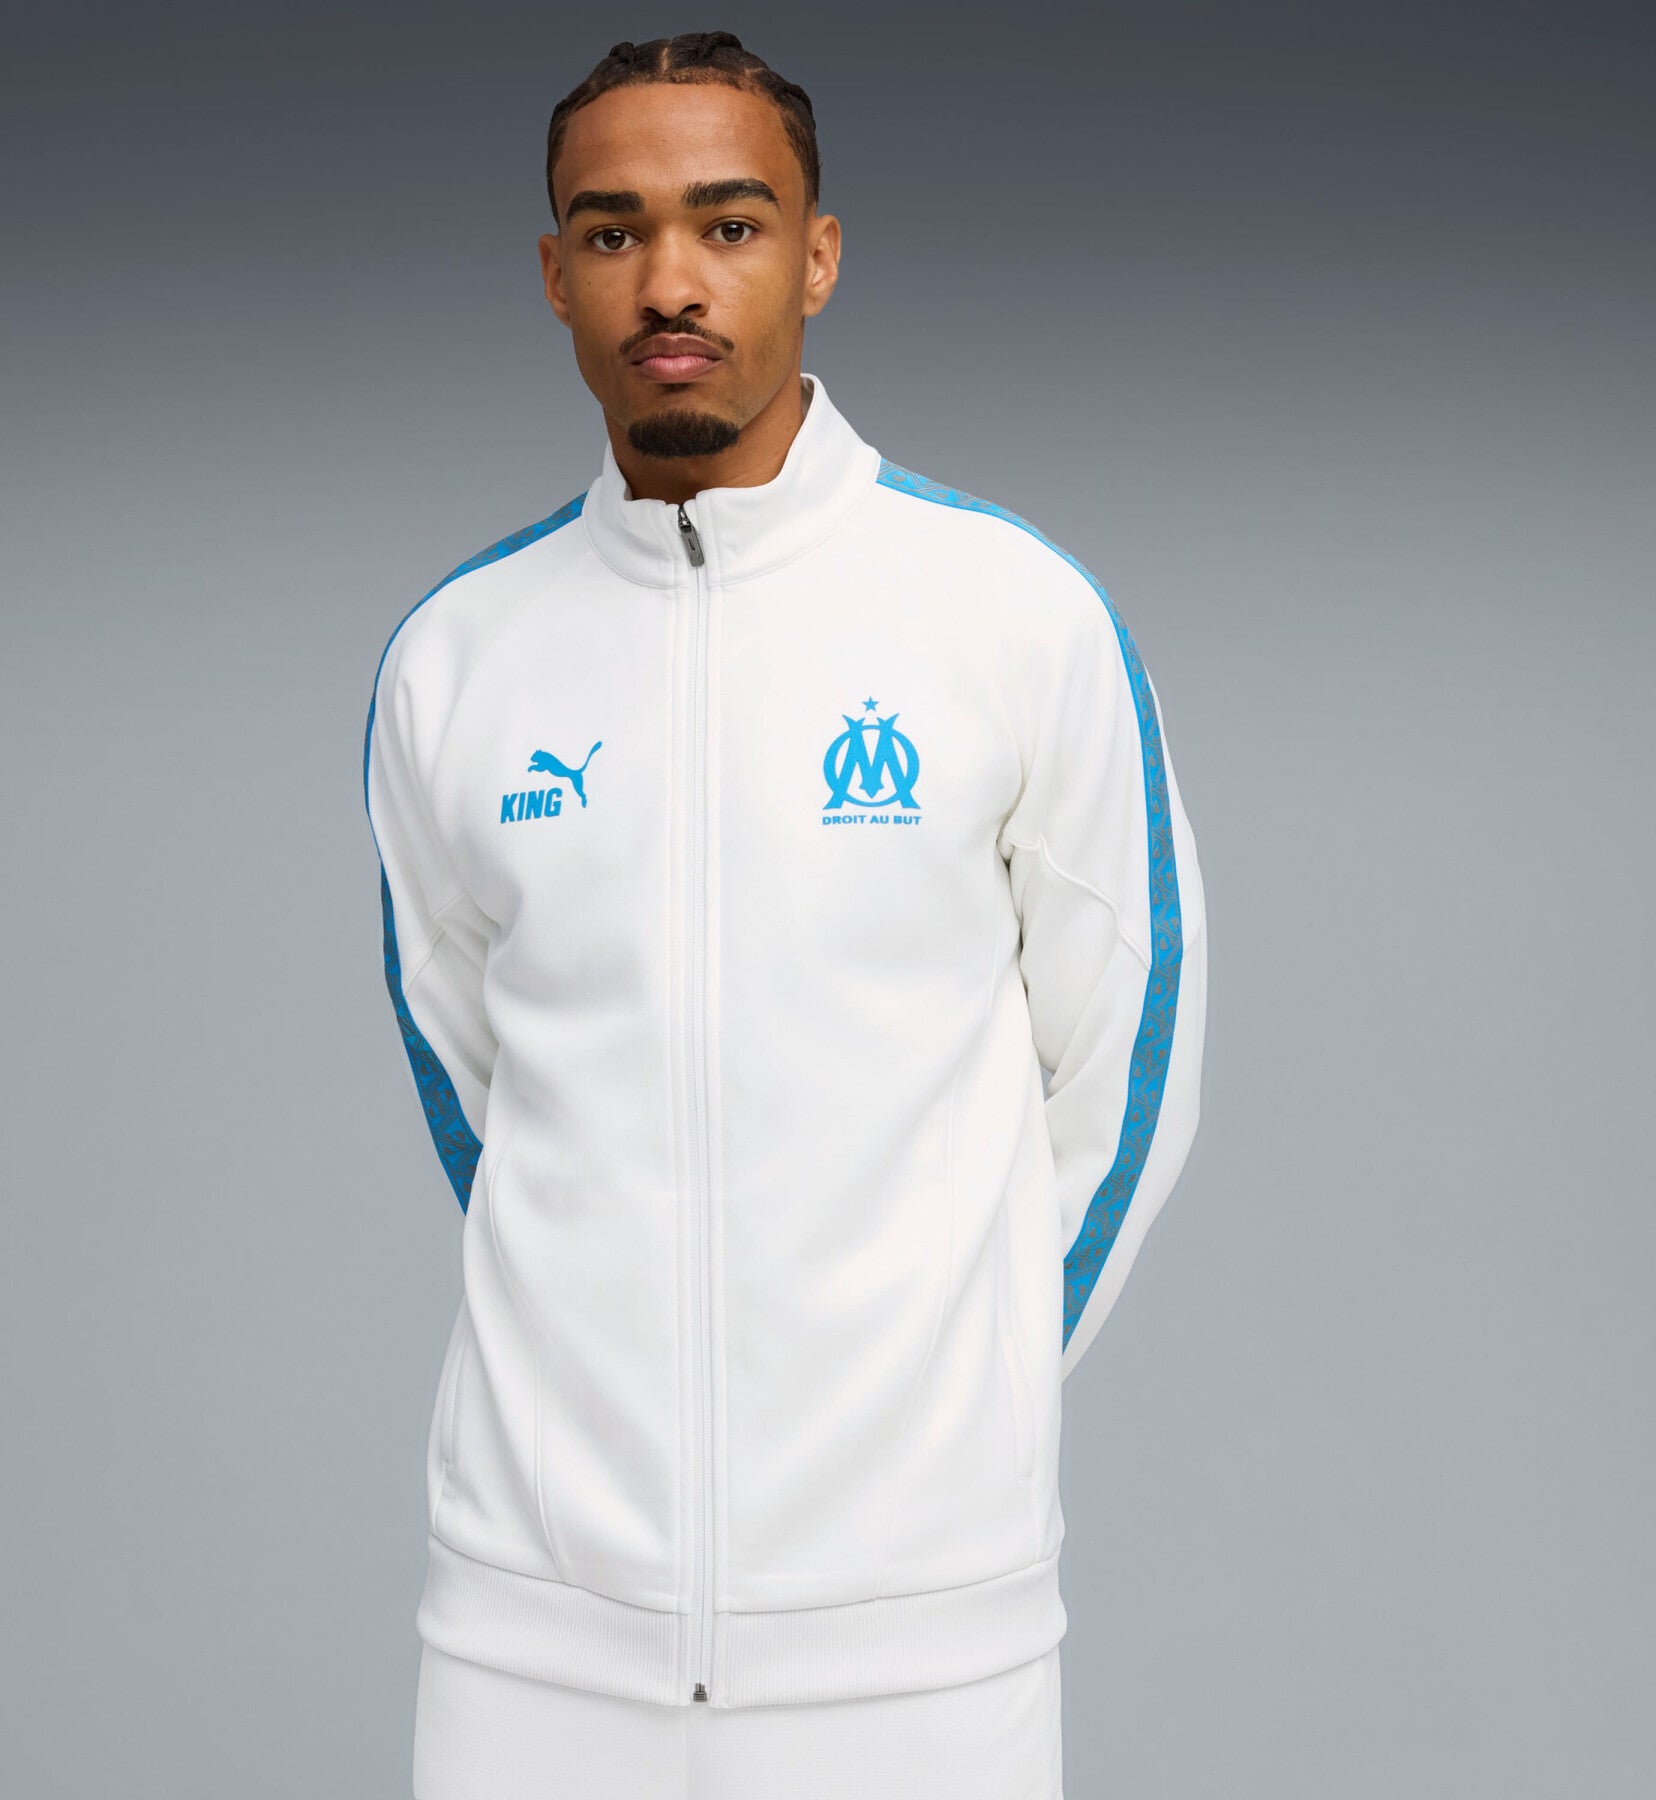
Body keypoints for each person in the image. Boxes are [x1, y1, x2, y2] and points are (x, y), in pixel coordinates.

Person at [361, 30, 1209, 1800]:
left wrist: (959, 1403)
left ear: (818, 257)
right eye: (614, 231)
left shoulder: (1009, 616)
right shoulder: (459, 658)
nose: (669, 281)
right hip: (531, 1634)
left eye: (729, 225)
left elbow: (1131, 1062)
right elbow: (481, 1084)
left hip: (917, 1640)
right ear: (554, 274)